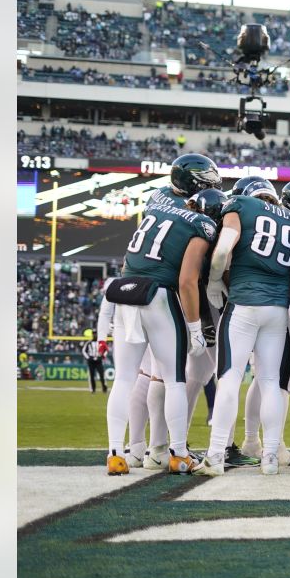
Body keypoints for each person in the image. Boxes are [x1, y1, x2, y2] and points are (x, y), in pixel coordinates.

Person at [103, 154, 219, 476]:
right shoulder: (201, 220)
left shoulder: (157, 198)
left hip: (126, 288)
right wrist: (195, 326)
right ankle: (179, 453)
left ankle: (115, 453)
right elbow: (186, 279)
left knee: (124, 378)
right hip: (160, 294)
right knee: (174, 379)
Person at [200, 177, 290, 476]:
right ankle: (270, 456)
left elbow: (222, 252)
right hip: (276, 309)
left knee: (230, 378)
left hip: (244, 303)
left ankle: (216, 454)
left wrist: (214, 281)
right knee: (270, 382)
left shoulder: (241, 205)